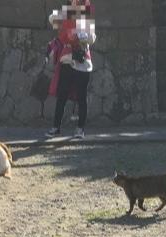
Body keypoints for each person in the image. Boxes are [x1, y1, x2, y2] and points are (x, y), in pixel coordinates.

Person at [47, 1, 96, 140]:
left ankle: (80, 129)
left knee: (81, 98)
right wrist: (66, 15)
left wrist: (78, 35)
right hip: (67, 60)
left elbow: (92, 37)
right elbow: (52, 20)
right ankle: (56, 128)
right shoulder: (67, 13)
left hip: (82, 62)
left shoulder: (85, 15)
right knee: (61, 96)